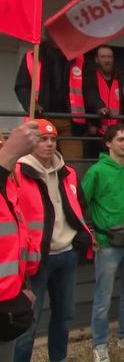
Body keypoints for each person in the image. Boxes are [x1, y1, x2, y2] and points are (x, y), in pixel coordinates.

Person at [13, 119, 95, 362]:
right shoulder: (18, 173)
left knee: (65, 317)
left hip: (67, 255)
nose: (49, 144)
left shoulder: (68, 172)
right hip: (35, 259)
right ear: (32, 141)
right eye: (42, 139)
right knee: (28, 323)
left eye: (53, 139)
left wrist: (82, 234)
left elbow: (79, 206)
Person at [83, 124, 124, 362]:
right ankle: (99, 345)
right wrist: (92, 234)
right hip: (108, 243)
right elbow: (81, 202)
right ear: (108, 143)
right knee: (103, 298)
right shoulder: (97, 171)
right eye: (120, 139)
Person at [0, 121, 40, 362]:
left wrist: (21, 285)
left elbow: (15, 241)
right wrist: (9, 154)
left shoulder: (8, 187)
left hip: (10, 299)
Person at [14, 40, 87, 159]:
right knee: (40, 159)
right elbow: (22, 86)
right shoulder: (32, 56)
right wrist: (31, 105)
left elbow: (88, 88)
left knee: (75, 161)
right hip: (42, 118)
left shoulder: (78, 58)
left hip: (70, 120)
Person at [83, 45, 123, 159]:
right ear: (97, 59)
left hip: (117, 133)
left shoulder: (120, 78)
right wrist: (99, 109)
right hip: (96, 133)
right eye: (103, 57)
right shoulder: (90, 77)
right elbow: (90, 96)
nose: (107, 60)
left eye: (109, 57)